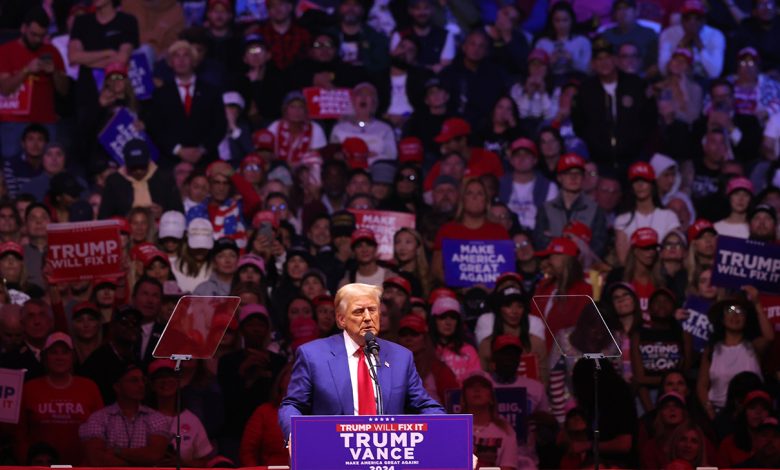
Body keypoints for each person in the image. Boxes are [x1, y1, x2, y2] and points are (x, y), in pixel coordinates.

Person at [279, 283, 445, 440]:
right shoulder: (313, 355)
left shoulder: (401, 357)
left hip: (386, 456)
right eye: (358, 312)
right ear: (341, 320)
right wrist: (295, 437)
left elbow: (426, 406)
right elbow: (293, 405)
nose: (368, 318)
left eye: (373, 310)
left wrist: (450, 435)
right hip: (333, 454)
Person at [16, 332, 104, 465]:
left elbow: (102, 431)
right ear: (45, 357)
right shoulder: (29, 388)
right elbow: (19, 435)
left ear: (73, 357)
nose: (59, 357)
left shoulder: (89, 387)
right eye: (54, 352)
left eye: (65, 352)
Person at [0, 7, 68, 159]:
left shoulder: (52, 51)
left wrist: (54, 72)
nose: (37, 40)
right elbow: (4, 89)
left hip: (45, 121)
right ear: (24, 28)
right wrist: (26, 70)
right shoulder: (5, 51)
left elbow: (64, 90)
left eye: (41, 36)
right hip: (14, 122)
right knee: (10, 164)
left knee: (49, 168)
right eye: (33, 35)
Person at [79, 364, 169, 466]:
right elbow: (96, 459)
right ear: (117, 387)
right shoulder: (98, 418)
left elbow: (154, 455)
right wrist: (138, 463)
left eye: (143, 380)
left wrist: (117, 451)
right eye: (134, 381)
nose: (141, 385)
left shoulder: (156, 417)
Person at [534, 153, 606, 256]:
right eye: (568, 173)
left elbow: (598, 246)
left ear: (583, 177)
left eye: (578, 173)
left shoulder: (595, 210)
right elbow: (539, 241)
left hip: (583, 268)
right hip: (553, 266)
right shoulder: (546, 209)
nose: (574, 177)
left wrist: (557, 239)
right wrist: (577, 243)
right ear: (559, 177)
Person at [462, 371, 518, 470]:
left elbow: (508, 467)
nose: (477, 389)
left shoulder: (505, 430)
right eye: (471, 386)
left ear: (491, 397)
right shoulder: (451, 428)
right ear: (464, 397)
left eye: (483, 386)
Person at [658, 0, 725, 79]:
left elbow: (714, 73)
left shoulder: (715, 35)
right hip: (675, 79)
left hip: (704, 81)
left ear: (704, 20)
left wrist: (700, 47)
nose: (692, 22)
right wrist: (682, 44)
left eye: (698, 18)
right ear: (682, 20)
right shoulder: (668, 34)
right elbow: (663, 70)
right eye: (687, 18)